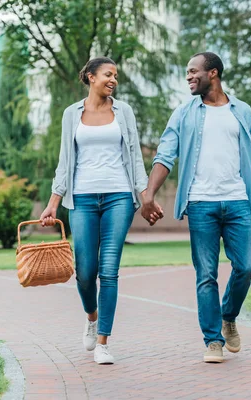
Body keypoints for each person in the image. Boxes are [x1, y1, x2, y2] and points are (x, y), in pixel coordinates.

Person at [141, 52, 251, 363]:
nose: (189, 77)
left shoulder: (243, 112)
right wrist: (149, 193)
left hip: (237, 201)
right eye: (187, 73)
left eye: (194, 71)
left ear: (214, 73)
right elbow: (165, 154)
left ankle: (228, 316)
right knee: (206, 274)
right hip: (200, 204)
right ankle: (213, 341)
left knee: (246, 267)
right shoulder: (183, 113)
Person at [40, 57, 162, 365]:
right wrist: (53, 204)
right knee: (84, 273)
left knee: (109, 270)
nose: (113, 80)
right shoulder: (72, 114)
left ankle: (104, 342)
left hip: (118, 197)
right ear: (91, 77)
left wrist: (144, 196)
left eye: (116, 76)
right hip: (81, 199)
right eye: (108, 75)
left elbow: (135, 157)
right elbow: (65, 161)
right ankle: (92, 317)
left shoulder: (124, 112)